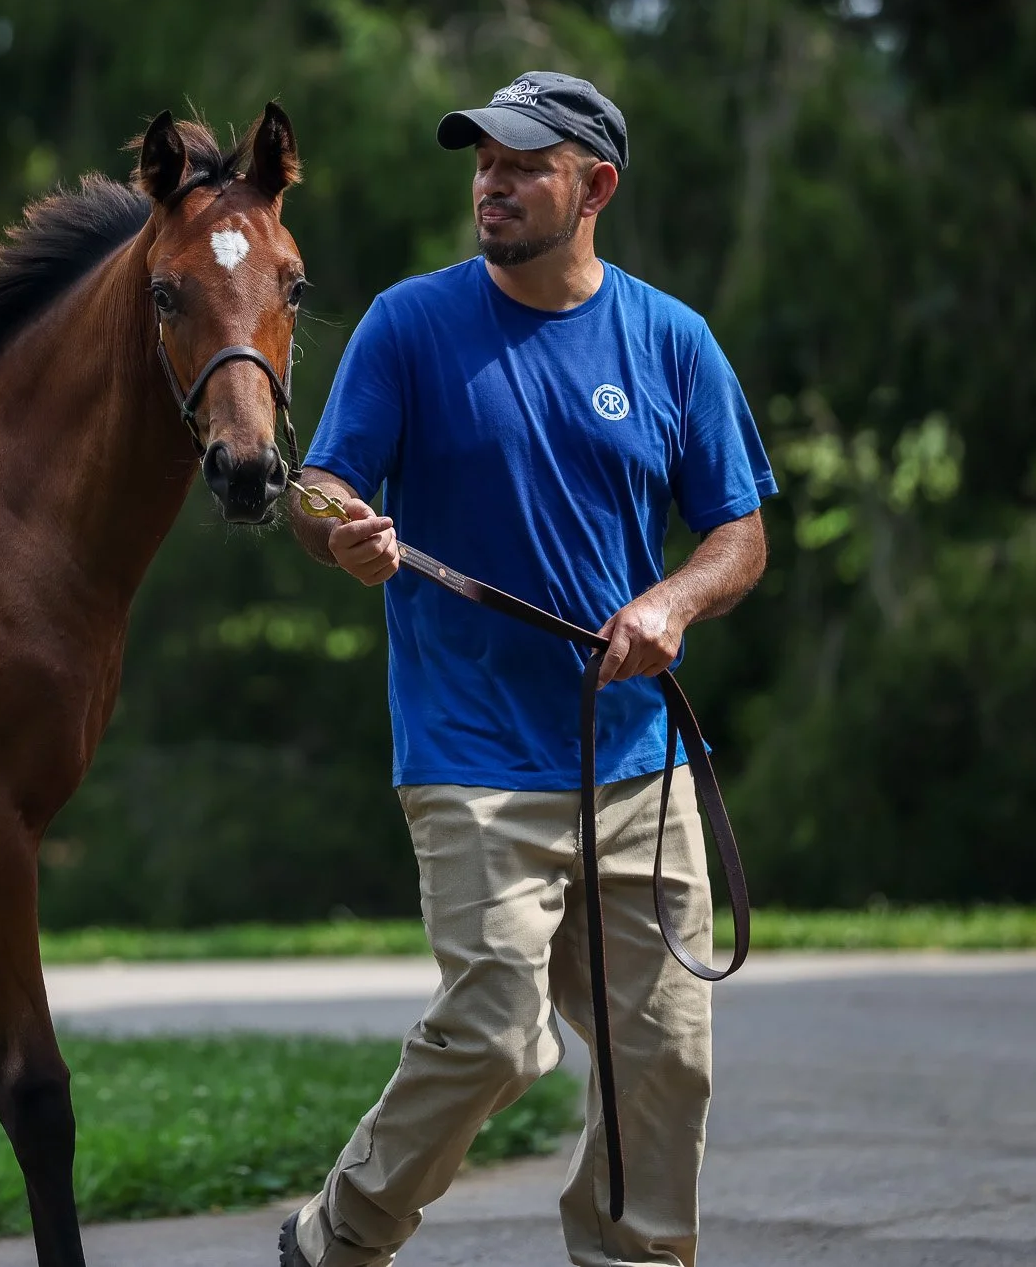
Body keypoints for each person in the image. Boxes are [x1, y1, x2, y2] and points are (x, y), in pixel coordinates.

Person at [280, 71, 776, 1267]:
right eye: (482, 162)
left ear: (593, 186)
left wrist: (670, 600)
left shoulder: (669, 340)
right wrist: (341, 529)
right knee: (497, 1037)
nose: (490, 184)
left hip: (636, 766)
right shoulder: (409, 324)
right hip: (472, 757)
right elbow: (319, 485)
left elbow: (739, 533)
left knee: (665, 1066)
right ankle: (337, 1240)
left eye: (522, 164)